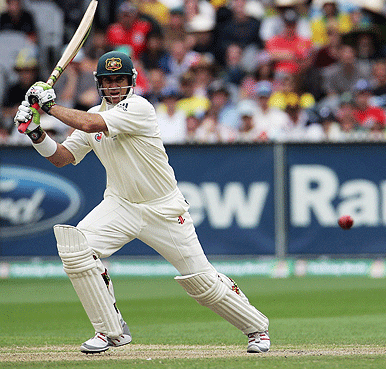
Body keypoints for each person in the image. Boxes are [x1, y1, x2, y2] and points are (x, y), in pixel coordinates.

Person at [13, 50, 270, 354]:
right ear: (99, 84)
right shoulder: (93, 113)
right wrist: (35, 131)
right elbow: (63, 158)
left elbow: (93, 125)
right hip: (120, 204)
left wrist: (50, 106)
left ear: (131, 81)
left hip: (163, 208)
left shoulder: (138, 108)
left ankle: (257, 329)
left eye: (120, 79)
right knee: (76, 247)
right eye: (108, 81)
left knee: (201, 282)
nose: (114, 86)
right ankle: (110, 331)